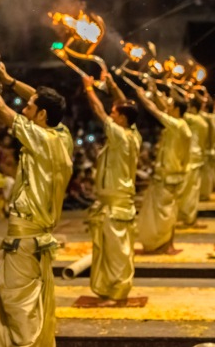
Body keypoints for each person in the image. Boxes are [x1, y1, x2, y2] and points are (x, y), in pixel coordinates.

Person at [0, 62, 72, 347]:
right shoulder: (63, 136)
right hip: (37, 234)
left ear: (43, 115)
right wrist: (9, 80)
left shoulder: (40, 137)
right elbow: (38, 96)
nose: (25, 107)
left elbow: (1, 109)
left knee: (16, 301)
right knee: (25, 298)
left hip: (25, 236)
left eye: (30, 106)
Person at [82, 73, 141, 300]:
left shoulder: (120, 136)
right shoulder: (132, 133)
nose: (111, 114)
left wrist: (89, 89)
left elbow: (98, 112)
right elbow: (125, 104)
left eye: (115, 113)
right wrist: (114, 86)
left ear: (123, 119)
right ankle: (110, 287)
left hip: (116, 204)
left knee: (117, 252)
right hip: (115, 202)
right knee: (110, 250)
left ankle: (118, 289)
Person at [134, 81, 192, 254]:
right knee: (167, 212)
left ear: (177, 110)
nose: (168, 106)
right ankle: (166, 245)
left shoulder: (177, 125)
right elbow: (163, 107)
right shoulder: (180, 123)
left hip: (168, 176)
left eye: (171, 105)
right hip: (170, 175)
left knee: (164, 214)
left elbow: (156, 111)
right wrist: (154, 90)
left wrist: (142, 98)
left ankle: (163, 245)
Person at [177, 96, 209, 227]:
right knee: (192, 190)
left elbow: (177, 111)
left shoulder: (193, 120)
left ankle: (187, 217)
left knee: (187, 190)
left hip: (191, 157)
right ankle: (189, 217)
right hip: (197, 156)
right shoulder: (203, 121)